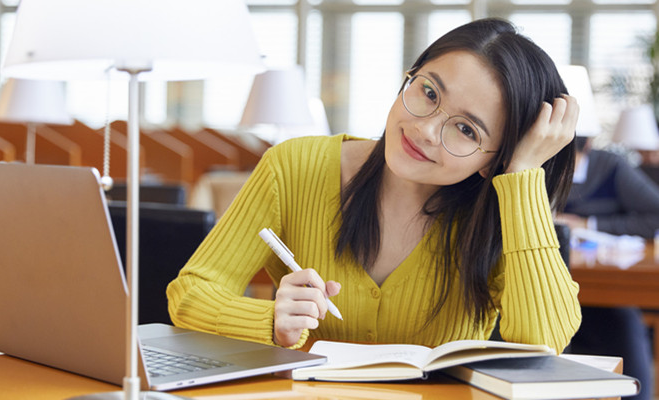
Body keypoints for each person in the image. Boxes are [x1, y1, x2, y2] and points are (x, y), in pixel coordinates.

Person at [167, 18, 582, 354]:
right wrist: (269, 320)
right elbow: (190, 294)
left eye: (466, 130)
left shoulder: (497, 214)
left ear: (494, 161)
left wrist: (523, 173)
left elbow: (544, 341)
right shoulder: (293, 166)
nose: (424, 129)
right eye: (429, 91)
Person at [556, 136, 659, 400]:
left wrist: (588, 225)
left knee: (623, 325)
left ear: (588, 145)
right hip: (553, 285)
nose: (565, 175)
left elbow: (655, 215)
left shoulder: (612, 167)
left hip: (606, 290)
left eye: (572, 167)